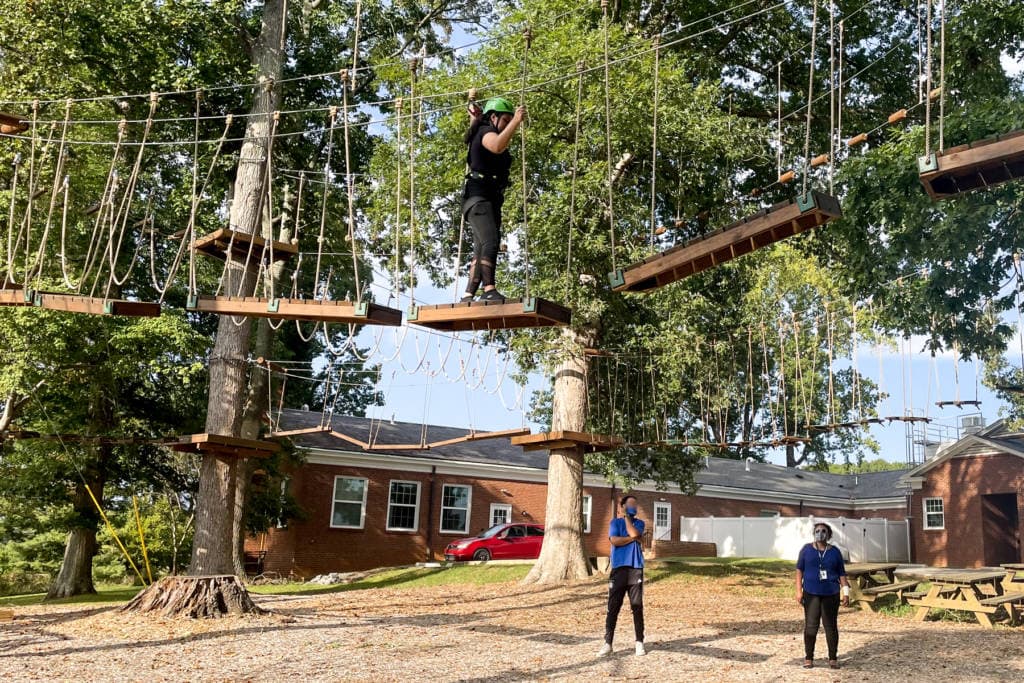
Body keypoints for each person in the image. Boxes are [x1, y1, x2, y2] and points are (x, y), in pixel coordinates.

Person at [460, 96, 526, 303]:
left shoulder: (481, 130)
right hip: (479, 197)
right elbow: (496, 145)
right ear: (494, 117)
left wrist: (475, 118)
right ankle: (489, 290)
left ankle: (468, 294)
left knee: (481, 246)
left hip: (489, 198)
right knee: (490, 241)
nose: (507, 125)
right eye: (504, 121)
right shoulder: (486, 132)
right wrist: (516, 120)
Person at [795, 522, 850, 669]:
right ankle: (809, 658)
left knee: (830, 626)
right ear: (814, 533)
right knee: (811, 626)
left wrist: (846, 592)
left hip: (831, 594)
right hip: (811, 593)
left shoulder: (835, 552)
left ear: (829, 534)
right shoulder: (806, 550)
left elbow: (841, 573)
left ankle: (832, 658)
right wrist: (798, 590)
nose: (820, 533)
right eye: (818, 531)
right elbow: (799, 570)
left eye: (824, 531)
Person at [598, 494, 646, 657]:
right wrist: (633, 539)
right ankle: (607, 643)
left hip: (635, 568)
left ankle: (639, 643)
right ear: (622, 507)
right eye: (630, 504)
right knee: (613, 607)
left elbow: (634, 533)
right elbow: (614, 541)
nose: (634, 507)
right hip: (618, 568)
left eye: (635, 505)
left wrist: (628, 521)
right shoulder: (614, 523)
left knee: (637, 606)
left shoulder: (639, 523)